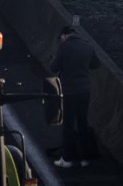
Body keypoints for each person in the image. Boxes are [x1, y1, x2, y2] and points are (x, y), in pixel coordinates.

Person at [50, 25, 101, 168]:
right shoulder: (87, 46)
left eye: (61, 38)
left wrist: (54, 60)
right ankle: (85, 158)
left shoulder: (64, 48)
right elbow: (96, 64)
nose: (61, 40)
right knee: (83, 122)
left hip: (69, 91)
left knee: (68, 123)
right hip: (85, 90)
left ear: (64, 35)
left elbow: (54, 67)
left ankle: (67, 159)